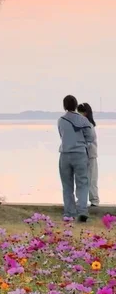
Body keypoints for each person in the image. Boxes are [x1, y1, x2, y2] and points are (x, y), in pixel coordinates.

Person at [58, 94, 94, 222]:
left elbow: (61, 136)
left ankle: (69, 213)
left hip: (65, 154)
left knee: (67, 185)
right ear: (75, 104)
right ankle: (82, 211)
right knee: (82, 183)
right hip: (80, 154)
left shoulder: (61, 120)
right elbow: (90, 138)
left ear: (64, 105)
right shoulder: (83, 120)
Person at [78, 102, 99, 206]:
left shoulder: (88, 125)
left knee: (91, 178)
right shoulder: (84, 124)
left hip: (90, 154)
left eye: (80, 112)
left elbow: (89, 140)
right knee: (83, 178)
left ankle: (94, 200)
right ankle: (84, 200)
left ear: (85, 113)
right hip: (84, 154)